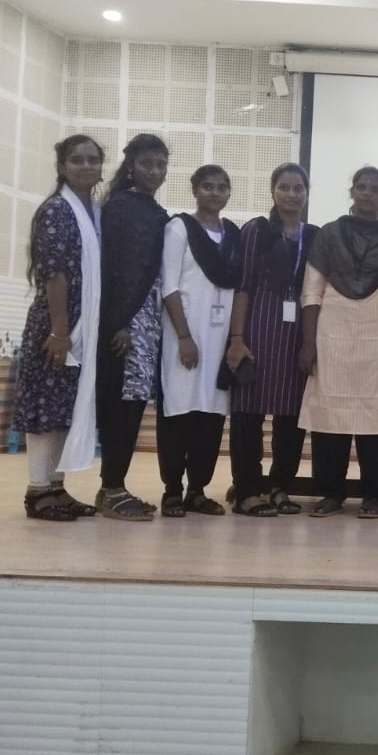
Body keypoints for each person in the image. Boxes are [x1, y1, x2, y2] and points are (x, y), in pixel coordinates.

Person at [299, 166, 378, 519]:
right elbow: (311, 291)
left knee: (375, 420)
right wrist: (309, 343)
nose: (367, 193)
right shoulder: (329, 234)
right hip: (331, 333)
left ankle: (373, 496)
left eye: (374, 188)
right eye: (361, 187)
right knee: (330, 417)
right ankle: (330, 494)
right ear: (352, 192)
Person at [13, 134, 105, 521]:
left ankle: (56, 487)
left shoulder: (94, 211)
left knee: (63, 409)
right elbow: (54, 274)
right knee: (44, 408)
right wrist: (60, 331)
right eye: (77, 160)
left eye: (93, 160)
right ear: (62, 167)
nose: (86, 166)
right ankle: (38, 491)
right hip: (55, 327)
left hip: (81, 327)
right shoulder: (56, 210)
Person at [225, 163, 318, 517]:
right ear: (273, 191)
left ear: (306, 194)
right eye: (284, 187)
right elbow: (244, 285)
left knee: (291, 417)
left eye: (298, 188)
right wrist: (237, 338)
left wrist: (311, 341)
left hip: (296, 334)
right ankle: (247, 490)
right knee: (247, 414)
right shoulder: (257, 230)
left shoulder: (314, 236)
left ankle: (280, 486)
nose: (291, 194)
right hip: (257, 328)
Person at [155, 165, 240, 517]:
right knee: (179, 412)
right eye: (207, 186)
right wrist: (184, 336)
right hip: (184, 337)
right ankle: (172, 491)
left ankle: (197, 490)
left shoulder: (233, 234)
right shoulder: (179, 228)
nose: (215, 193)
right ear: (195, 190)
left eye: (222, 187)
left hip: (220, 340)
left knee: (211, 416)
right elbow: (169, 286)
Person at [95, 133, 170, 522]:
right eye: (146, 164)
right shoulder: (121, 208)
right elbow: (115, 270)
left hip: (147, 324)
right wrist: (120, 323)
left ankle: (114, 486)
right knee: (119, 408)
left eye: (160, 164)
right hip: (125, 324)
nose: (154, 171)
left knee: (134, 405)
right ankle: (111, 488)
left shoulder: (153, 211)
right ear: (131, 166)